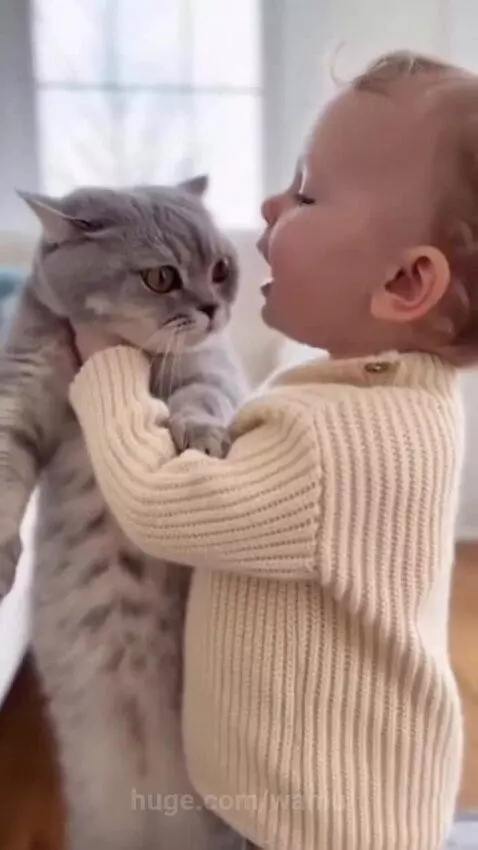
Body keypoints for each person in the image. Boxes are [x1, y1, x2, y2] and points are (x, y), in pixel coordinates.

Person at [68, 51, 475, 849]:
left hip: (320, 825)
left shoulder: (341, 441)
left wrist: (109, 368)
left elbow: (163, 503)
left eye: (308, 193)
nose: (269, 202)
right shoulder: (374, 395)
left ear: (402, 286)